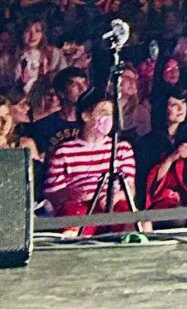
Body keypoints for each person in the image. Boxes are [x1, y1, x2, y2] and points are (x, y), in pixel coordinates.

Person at [42, 90, 139, 218]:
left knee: (140, 221)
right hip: (80, 209)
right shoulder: (64, 151)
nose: (108, 119)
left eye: (111, 114)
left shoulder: (122, 148)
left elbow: (130, 188)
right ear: (86, 116)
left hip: (114, 205)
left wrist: (114, 197)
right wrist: (68, 194)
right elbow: (51, 194)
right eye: (103, 113)